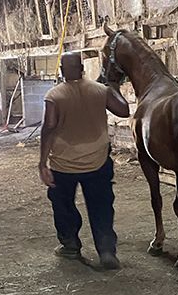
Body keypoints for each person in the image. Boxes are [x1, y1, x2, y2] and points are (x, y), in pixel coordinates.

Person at [39, 51, 130, 269]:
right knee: (101, 207)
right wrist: (113, 86)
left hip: (63, 164)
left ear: (62, 71)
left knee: (63, 205)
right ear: (81, 68)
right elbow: (124, 110)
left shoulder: (54, 96)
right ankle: (107, 251)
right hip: (97, 161)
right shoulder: (100, 91)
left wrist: (42, 163)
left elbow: (49, 127)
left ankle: (70, 245)